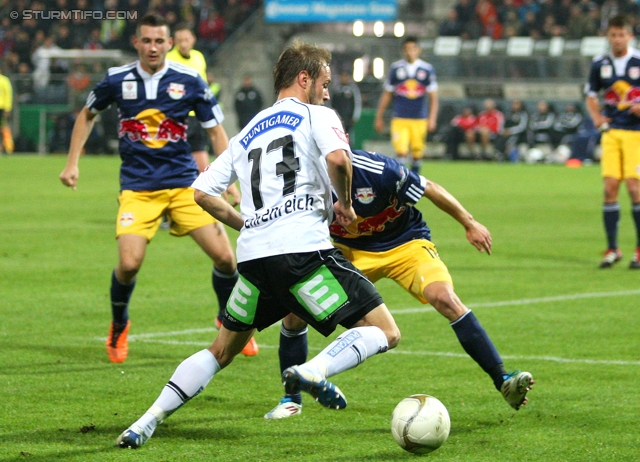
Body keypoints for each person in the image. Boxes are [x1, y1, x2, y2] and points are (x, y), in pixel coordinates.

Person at [114, 40, 401, 449]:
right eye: (324, 82)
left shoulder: (248, 129)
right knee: (385, 331)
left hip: (254, 257)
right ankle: (313, 370)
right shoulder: (316, 114)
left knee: (220, 350)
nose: (327, 92)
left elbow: (202, 192)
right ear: (304, 78)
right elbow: (340, 160)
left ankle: (146, 420)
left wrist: (246, 222)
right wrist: (346, 205)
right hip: (303, 250)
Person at [264, 146, 534, 420]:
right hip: (349, 252)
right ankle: (291, 399)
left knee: (445, 298)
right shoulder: (302, 181)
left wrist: (469, 222)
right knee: (295, 312)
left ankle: (502, 380)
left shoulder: (379, 170)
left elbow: (430, 188)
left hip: (406, 243)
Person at [59, 14, 244, 364]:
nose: (153, 47)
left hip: (185, 185)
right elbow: (86, 115)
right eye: (147, 41)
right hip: (139, 187)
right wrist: (72, 163)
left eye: (160, 41)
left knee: (224, 258)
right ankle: (119, 324)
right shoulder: (117, 79)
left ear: (169, 43)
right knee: (128, 264)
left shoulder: (190, 79)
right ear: (136, 43)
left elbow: (216, 131)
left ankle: (227, 320)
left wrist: (227, 179)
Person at [585, 14, 640, 269]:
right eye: (613, 34)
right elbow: (590, 94)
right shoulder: (600, 63)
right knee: (609, 189)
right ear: (608, 36)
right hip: (611, 133)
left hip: (636, 134)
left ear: (630, 35)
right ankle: (612, 249)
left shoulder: (638, 61)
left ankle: (639, 250)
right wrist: (596, 116)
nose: (617, 39)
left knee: (634, 188)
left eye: (622, 34)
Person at [374, 36, 439, 174]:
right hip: (400, 117)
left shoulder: (426, 69)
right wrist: (378, 117)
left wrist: (432, 118)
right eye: (407, 49)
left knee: (417, 153)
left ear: (418, 50)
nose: (410, 52)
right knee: (401, 151)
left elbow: (433, 97)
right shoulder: (396, 68)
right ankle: (401, 182)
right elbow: (387, 94)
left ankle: (414, 182)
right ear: (403, 51)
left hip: (419, 118)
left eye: (413, 48)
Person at [166, 23, 212, 172]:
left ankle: (206, 187)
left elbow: (203, 84)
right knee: (172, 155)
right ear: (174, 42)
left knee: (200, 150)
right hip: (177, 116)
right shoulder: (168, 59)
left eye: (186, 39)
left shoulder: (199, 57)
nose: (184, 44)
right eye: (180, 40)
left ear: (193, 39)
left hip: (197, 114)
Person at [330, 70, 362, 139]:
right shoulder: (336, 90)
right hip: (337, 117)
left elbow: (357, 103)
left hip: (348, 118)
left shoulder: (353, 90)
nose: (344, 78)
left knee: (349, 137)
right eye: (342, 76)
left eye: (346, 76)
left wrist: (355, 116)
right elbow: (331, 103)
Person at [0, 63, 13, 153]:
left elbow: (8, 94)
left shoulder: (4, 80)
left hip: (1, 107)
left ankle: (4, 146)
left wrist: (7, 108)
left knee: (3, 127)